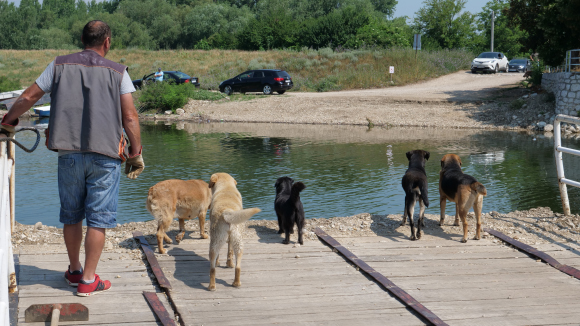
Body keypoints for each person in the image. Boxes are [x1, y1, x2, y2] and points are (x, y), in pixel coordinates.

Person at [0, 20, 145, 297]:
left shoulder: (58, 65)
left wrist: (9, 121)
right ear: (107, 42)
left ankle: (75, 270)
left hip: (68, 154)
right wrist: (135, 153)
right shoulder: (118, 72)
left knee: (72, 215)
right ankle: (89, 280)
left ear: (82, 39)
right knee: (99, 219)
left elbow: (30, 95)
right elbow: (129, 116)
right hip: (105, 156)